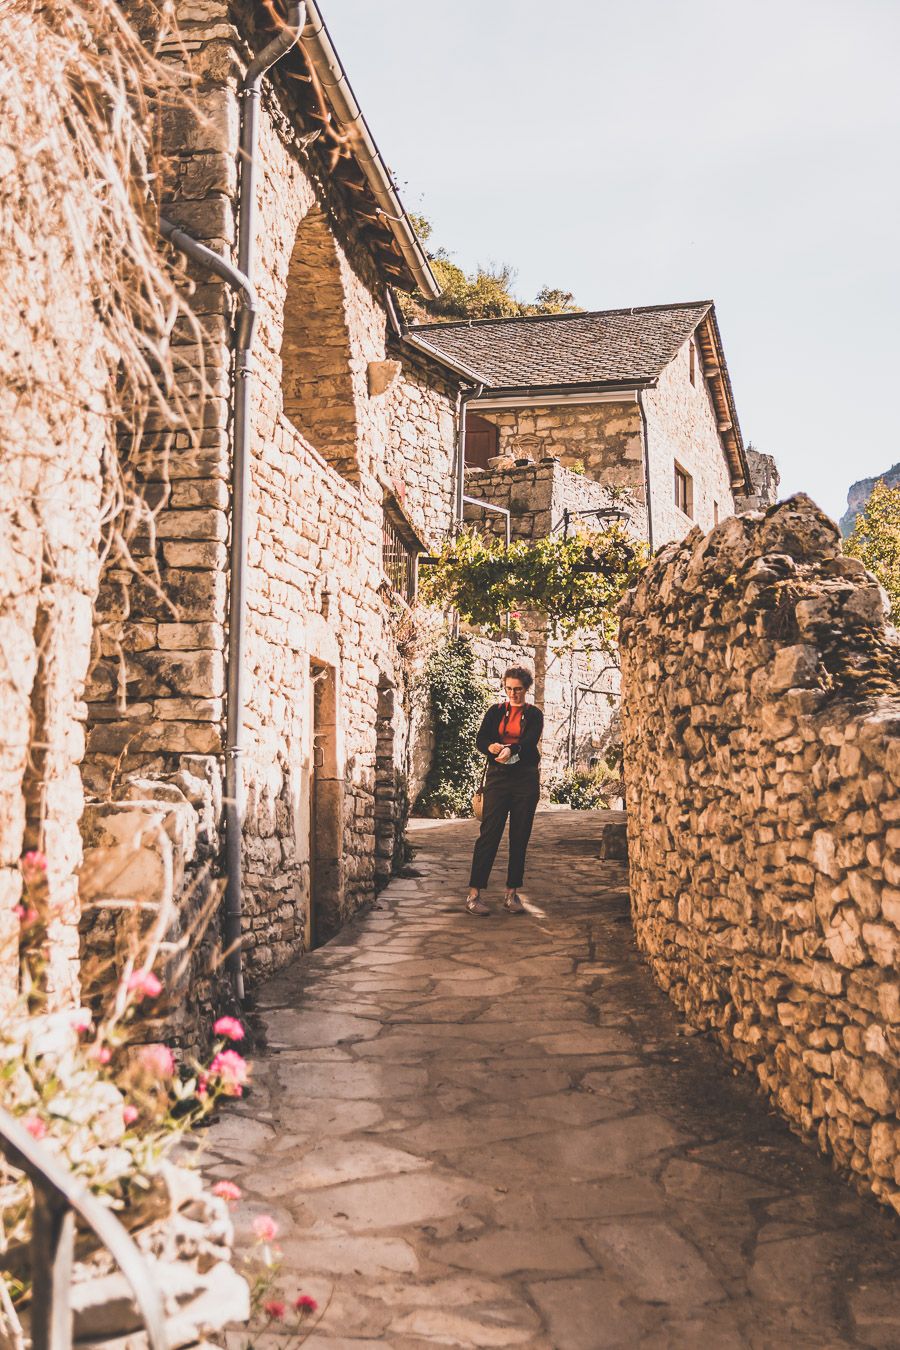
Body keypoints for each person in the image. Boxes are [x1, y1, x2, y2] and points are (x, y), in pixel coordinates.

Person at [465, 666, 544, 916]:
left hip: (525, 779)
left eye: (518, 689)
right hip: (498, 779)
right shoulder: (495, 711)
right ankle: (474, 894)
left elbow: (530, 741)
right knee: (488, 835)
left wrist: (514, 749)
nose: (513, 693)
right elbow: (480, 739)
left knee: (519, 837)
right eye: (509, 688)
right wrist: (491, 746)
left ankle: (512, 894)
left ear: (526, 688)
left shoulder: (534, 714)